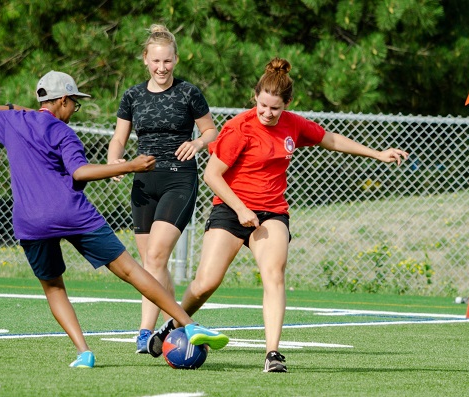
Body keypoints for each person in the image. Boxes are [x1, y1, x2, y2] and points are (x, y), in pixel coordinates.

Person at [147, 58, 409, 371]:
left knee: (274, 274)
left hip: (271, 213)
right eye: (262, 106)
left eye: (275, 108)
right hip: (231, 211)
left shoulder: (293, 125)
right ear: (254, 98)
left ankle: (272, 354)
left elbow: (331, 140)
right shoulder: (238, 128)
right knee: (205, 283)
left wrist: (378, 154)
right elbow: (212, 176)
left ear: (287, 104)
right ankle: (173, 325)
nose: (268, 114)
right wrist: (241, 208)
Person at [0, 70, 228, 369]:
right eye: (73, 103)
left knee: (54, 288)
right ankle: (187, 323)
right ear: (61, 100)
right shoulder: (64, 133)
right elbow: (79, 172)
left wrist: (16, 110)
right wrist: (129, 166)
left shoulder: (12, 122)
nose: (74, 110)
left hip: (30, 221)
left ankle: (83, 352)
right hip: (71, 212)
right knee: (130, 270)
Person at [107, 24, 219, 354]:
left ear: (176, 60)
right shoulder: (132, 95)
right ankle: (181, 325)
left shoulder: (189, 93)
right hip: (144, 183)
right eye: (156, 61)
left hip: (178, 179)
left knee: (155, 258)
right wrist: (115, 161)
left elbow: (212, 131)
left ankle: (144, 332)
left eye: (168, 62)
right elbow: (119, 138)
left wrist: (198, 143)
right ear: (145, 59)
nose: (161, 68)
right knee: (152, 265)